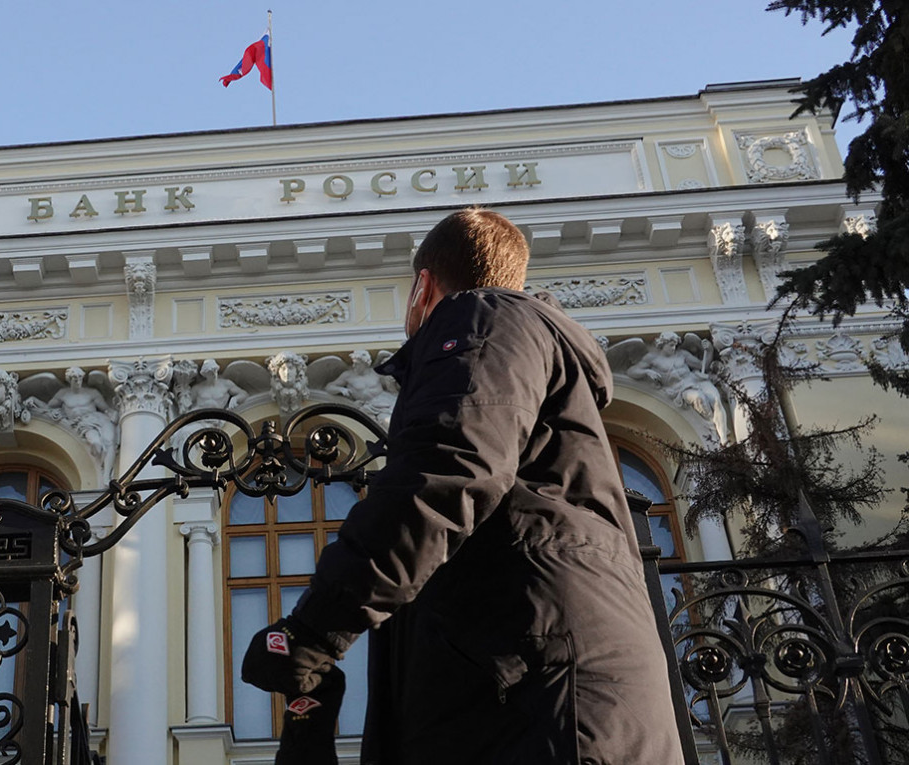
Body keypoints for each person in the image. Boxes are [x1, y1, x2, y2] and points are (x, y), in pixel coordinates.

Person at [241, 209, 683, 764]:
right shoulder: (540, 372)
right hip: (552, 690)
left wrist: (311, 632)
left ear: (422, 288)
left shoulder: (481, 319)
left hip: (539, 696)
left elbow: (447, 471)